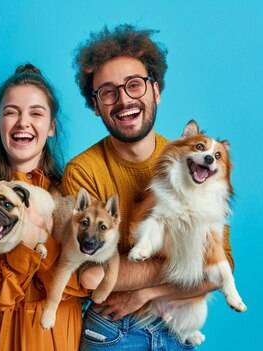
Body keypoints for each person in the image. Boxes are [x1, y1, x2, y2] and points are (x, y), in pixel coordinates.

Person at [62, 24, 234, 350]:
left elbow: (219, 270)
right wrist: (186, 266)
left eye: (134, 85)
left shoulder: (195, 162)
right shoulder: (83, 171)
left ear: (156, 91)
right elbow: (91, 274)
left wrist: (144, 291)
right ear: (95, 106)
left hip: (181, 324)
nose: (124, 99)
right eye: (108, 92)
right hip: (112, 329)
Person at [0, 64, 98, 351]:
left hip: (52, 337)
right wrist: (37, 242)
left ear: (52, 126)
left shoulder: (72, 195)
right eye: (11, 112)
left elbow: (82, 283)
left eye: (36, 113)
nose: (23, 122)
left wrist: (36, 243)